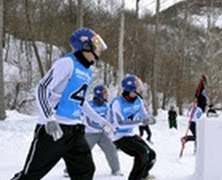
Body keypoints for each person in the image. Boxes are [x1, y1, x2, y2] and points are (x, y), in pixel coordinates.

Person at [11, 27, 112, 180]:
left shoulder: (87, 70)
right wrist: (49, 118)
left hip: (75, 130)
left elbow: (80, 100)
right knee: (31, 175)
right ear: (86, 46)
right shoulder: (67, 63)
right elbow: (42, 88)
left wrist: (100, 120)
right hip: (54, 130)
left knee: (85, 171)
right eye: (96, 45)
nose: (99, 50)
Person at [110, 75, 156, 180]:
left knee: (152, 155)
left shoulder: (138, 100)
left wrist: (149, 118)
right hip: (119, 136)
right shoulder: (118, 102)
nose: (139, 89)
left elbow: (144, 114)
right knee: (142, 153)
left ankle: (143, 175)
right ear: (130, 88)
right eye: (137, 86)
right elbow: (120, 123)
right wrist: (141, 122)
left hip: (130, 134)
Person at [81, 85, 122, 176]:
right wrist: (101, 127)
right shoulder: (89, 105)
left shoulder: (106, 105)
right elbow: (88, 122)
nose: (107, 95)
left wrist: (111, 127)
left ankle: (116, 170)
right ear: (99, 94)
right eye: (105, 93)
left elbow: (108, 119)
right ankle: (68, 170)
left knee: (111, 150)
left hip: (102, 134)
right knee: (82, 152)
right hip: (90, 133)